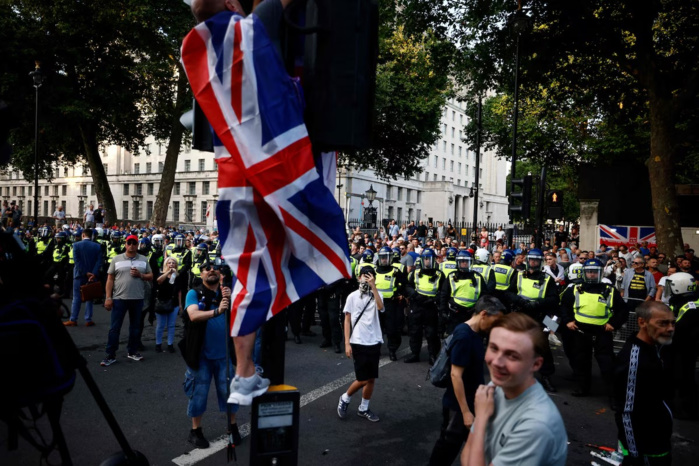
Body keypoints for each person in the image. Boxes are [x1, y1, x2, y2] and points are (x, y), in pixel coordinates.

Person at [461, 312, 567, 466]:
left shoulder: (536, 426)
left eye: (512, 356)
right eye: (494, 348)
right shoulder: (498, 385)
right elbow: (466, 458)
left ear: (536, 364)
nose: (497, 362)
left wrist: (481, 418)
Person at [428, 296, 505, 466]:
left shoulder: (475, 333)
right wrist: (465, 412)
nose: (495, 326)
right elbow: (456, 375)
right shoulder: (464, 336)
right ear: (484, 314)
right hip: (458, 407)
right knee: (446, 449)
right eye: (495, 321)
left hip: (472, 401)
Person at [181, 260, 248, 449]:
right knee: (198, 393)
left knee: (229, 393)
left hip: (223, 355)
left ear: (221, 275)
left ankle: (232, 427)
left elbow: (241, 316)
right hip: (200, 355)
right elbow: (193, 315)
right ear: (201, 274)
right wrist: (217, 310)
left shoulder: (226, 294)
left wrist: (231, 300)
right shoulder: (193, 293)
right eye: (206, 269)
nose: (211, 270)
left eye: (215, 268)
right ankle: (195, 431)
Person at [614, 301, 675, 465]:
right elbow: (626, 412)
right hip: (645, 447)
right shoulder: (632, 361)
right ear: (642, 322)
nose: (670, 328)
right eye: (663, 323)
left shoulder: (656, 347)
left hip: (660, 438)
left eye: (672, 323)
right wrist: (634, 454)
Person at [559, 259, 627, 406]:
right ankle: (582, 388)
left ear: (600, 273)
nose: (591, 275)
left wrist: (613, 324)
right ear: (584, 273)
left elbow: (622, 311)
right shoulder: (575, 289)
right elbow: (564, 307)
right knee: (581, 362)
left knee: (607, 364)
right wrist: (568, 321)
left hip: (602, 332)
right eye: (588, 272)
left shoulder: (609, 290)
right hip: (580, 332)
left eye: (594, 272)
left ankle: (614, 395)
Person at [337, 266, 384, 422]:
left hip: (374, 341)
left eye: (370, 276)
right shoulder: (352, 296)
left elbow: (380, 307)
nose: (366, 278)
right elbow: (347, 319)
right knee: (363, 378)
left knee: (371, 379)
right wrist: (347, 343)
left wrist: (374, 287)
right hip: (358, 341)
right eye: (364, 276)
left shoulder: (377, 294)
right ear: (359, 277)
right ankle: (345, 398)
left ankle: (364, 408)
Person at [509, 248, 559, 392]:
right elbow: (508, 293)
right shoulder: (518, 275)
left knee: (543, 348)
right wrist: (519, 301)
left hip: (540, 317)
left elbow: (554, 299)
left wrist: (538, 303)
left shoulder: (547, 278)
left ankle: (546, 376)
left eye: (536, 260)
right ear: (527, 261)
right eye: (531, 260)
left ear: (540, 262)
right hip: (521, 316)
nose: (533, 262)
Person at [101, 234, 153, 366]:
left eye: (134, 243)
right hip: (119, 298)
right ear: (125, 244)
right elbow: (110, 279)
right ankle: (110, 354)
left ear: (137, 245)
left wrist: (140, 275)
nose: (131, 245)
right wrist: (108, 297)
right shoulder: (116, 259)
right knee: (114, 328)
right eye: (129, 243)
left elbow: (151, 276)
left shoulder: (143, 259)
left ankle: (133, 351)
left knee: (135, 328)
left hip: (137, 298)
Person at [664, 272, 699, 419]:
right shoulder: (681, 301)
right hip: (678, 347)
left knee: (684, 378)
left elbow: (680, 328)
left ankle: (686, 410)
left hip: (684, 348)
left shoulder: (691, 307)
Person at [404, 249, 445, 364]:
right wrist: (415, 295)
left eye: (429, 259)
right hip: (417, 305)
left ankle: (432, 355)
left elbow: (443, 291)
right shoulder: (415, 273)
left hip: (430, 307)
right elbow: (407, 286)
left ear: (433, 260)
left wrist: (433, 299)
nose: (427, 261)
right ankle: (415, 354)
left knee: (431, 333)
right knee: (414, 331)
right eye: (425, 259)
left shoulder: (439, 274)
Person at [375, 246, 408, 361]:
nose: (384, 260)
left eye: (386, 257)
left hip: (391, 304)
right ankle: (376, 350)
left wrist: (400, 293)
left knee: (391, 329)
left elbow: (404, 285)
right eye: (382, 257)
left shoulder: (395, 271)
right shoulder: (374, 271)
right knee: (377, 328)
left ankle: (392, 350)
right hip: (377, 305)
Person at [65, 228, 103, 326]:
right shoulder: (97, 246)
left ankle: (73, 319)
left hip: (79, 274)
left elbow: (77, 262)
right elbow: (99, 262)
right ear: (92, 236)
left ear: (83, 235)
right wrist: (93, 273)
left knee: (76, 297)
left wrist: (85, 272)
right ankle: (88, 319)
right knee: (89, 297)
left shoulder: (76, 245)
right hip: (92, 275)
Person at [154, 256, 181, 353]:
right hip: (162, 302)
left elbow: (179, 291)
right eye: (169, 263)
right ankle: (158, 344)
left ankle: (170, 344)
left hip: (173, 303)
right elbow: (159, 281)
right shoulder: (161, 274)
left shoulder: (177, 276)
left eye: (173, 263)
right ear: (166, 264)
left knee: (171, 325)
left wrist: (180, 304)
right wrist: (168, 272)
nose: (171, 264)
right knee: (160, 325)